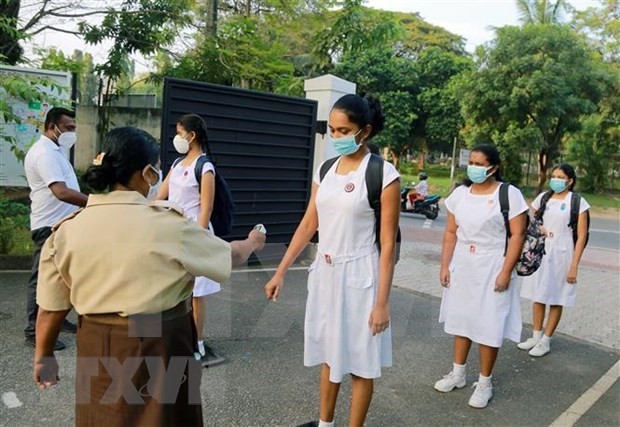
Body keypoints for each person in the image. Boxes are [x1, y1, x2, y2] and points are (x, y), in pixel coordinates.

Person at [33, 126, 266, 426]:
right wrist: (252, 242)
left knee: (102, 417)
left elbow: (50, 310)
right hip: (161, 337)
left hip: (97, 339)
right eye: (155, 170)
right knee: (166, 417)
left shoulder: (66, 231)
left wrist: (44, 356)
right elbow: (229, 256)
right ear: (147, 174)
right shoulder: (170, 226)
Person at [264, 94, 400, 427]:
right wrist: (280, 271)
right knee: (329, 353)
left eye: (345, 130)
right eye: (333, 130)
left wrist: (382, 302)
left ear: (364, 131)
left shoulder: (384, 174)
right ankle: (325, 424)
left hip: (361, 276)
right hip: (325, 273)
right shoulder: (325, 169)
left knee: (360, 361)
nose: (337, 137)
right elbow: (310, 223)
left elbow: (387, 243)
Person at [436, 144, 527, 408]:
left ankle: (485, 382)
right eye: (471, 162)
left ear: (494, 167)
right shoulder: (460, 195)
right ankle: (458, 373)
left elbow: (517, 235)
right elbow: (451, 232)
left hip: (492, 264)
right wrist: (444, 266)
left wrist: (505, 271)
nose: (474, 168)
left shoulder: (508, 194)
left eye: (480, 163)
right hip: (463, 263)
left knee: (489, 324)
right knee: (461, 319)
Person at [156, 113, 224, 367]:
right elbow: (161, 197)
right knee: (174, 290)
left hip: (194, 234)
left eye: (179, 131)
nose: (177, 137)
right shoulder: (176, 164)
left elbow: (205, 209)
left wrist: (197, 242)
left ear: (191, 135)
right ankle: (175, 337)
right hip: (172, 234)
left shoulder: (205, 167)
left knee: (196, 294)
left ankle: (197, 342)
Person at [23, 107, 88, 350]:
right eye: (69, 127)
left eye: (74, 127)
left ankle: (57, 320)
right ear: (52, 126)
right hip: (48, 226)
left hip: (62, 225)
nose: (72, 132)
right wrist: (95, 202)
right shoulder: (44, 153)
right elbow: (60, 191)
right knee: (41, 279)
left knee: (63, 276)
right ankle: (33, 330)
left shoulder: (56, 150)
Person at [518, 164, 590, 357]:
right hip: (540, 249)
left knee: (557, 297)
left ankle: (546, 340)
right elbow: (528, 216)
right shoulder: (544, 197)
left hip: (563, 252)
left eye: (560, 177)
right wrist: (538, 226)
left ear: (570, 181)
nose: (556, 180)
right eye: (554, 176)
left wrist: (574, 266)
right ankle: (535, 335)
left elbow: (581, 236)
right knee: (538, 294)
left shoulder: (577, 202)